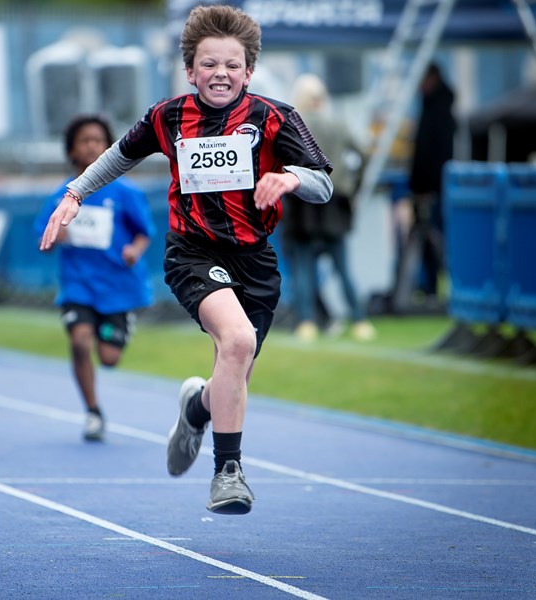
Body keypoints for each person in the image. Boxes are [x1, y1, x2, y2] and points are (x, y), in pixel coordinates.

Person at [40, 4, 332, 515]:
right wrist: (75, 194)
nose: (221, 74)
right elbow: (117, 156)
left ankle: (195, 411)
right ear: (190, 69)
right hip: (193, 253)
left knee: (233, 371)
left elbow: (324, 182)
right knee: (236, 341)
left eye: (232, 65)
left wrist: (290, 179)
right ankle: (228, 474)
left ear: (249, 71)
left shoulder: (275, 117)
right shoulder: (168, 116)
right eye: (209, 64)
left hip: (255, 261)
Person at [34, 114, 154, 442]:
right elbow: (42, 240)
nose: (91, 146)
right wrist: (54, 237)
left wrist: (134, 249)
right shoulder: (61, 196)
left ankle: (121, 324)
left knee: (109, 358)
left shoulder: (125, 192)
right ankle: (92, 411)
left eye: (98, 140)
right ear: (71, 149)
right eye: (84, 140)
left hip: (117, 287)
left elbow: (145, 233)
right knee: (79, 340)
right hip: (79, 284)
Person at [281, 74, 375, 343]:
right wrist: (352, 186)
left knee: (302, 267)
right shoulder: (338, 124)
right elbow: (365, 154)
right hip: (336, 203)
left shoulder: (294, 126)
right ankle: (360, 321)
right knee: (343, 267)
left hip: (302, 204)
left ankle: (307, 323)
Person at [404, 62, 455, 300]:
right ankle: (432, 284)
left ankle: (438, 285)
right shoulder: (435, 106)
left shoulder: (437, 110)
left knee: (435, 239)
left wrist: (424, 186)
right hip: (430, 186)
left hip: (431, 188)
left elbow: (432, 152)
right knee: (430, 241)